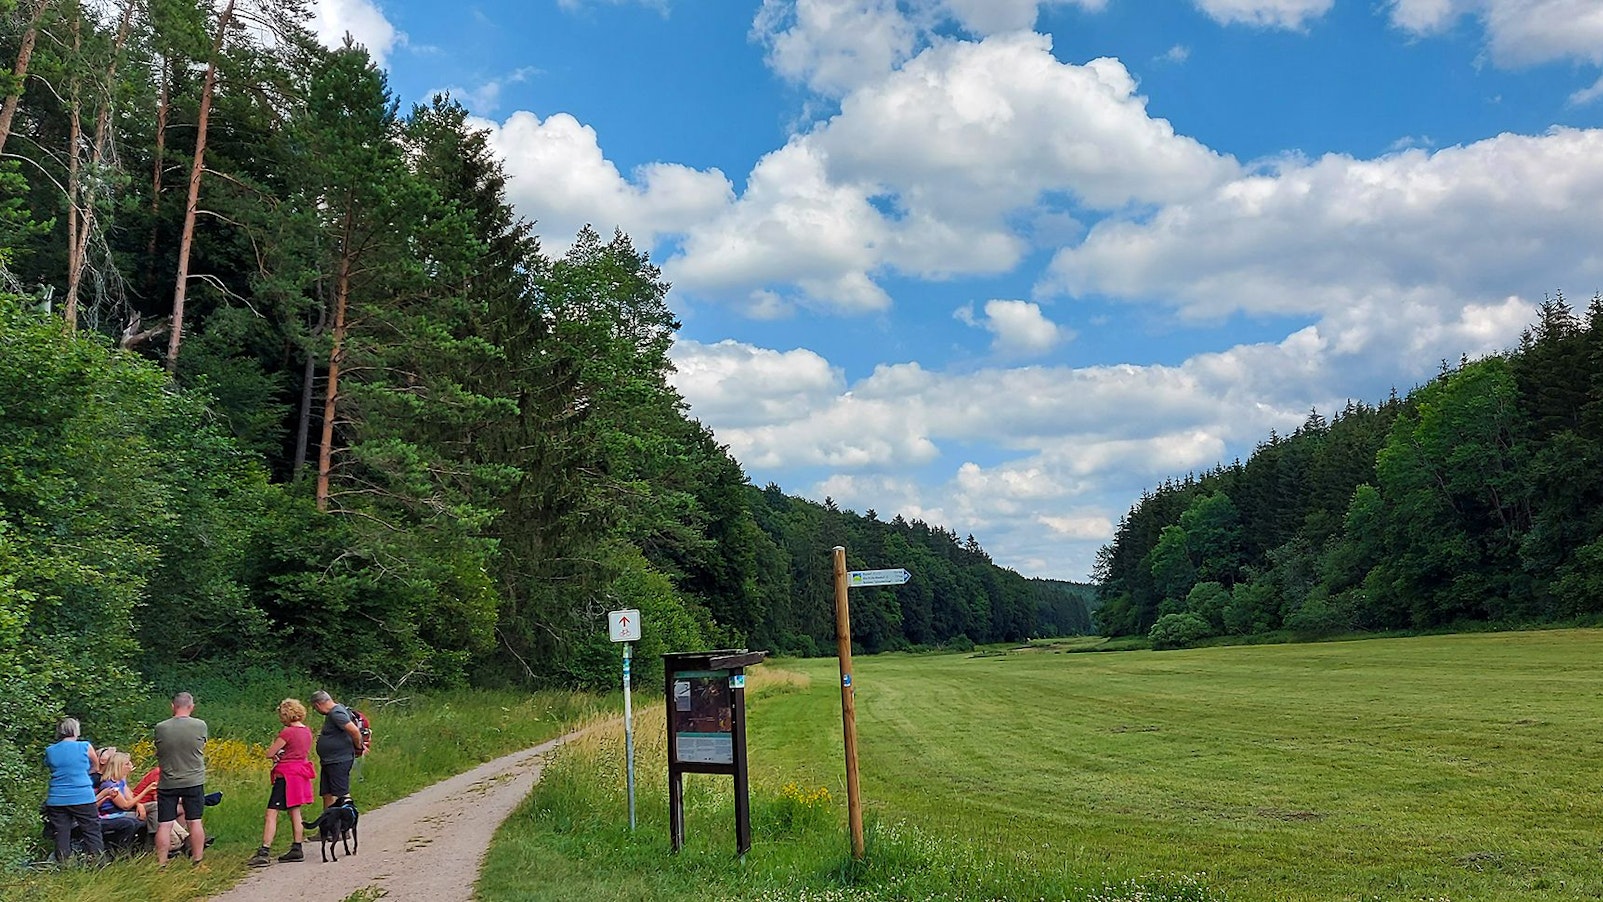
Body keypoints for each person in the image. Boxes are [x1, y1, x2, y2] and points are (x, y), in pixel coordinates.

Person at [247, 698, 316, 866]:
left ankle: (264, 850)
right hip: (300, 773)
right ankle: (297, 846)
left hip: (286, 775)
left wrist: (279, 755)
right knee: (295, 810)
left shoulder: (288, 732)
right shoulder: (307, 731)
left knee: (272, 813)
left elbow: (270, 753)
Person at [153, 691, 208, 867]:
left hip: (168, 781)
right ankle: (197, 860)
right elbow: (202, 745)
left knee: (164, 824)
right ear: (191, 707)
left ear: (173, 707)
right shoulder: (200, 725)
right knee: (195, 821)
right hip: (193, 779)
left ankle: (162, 863)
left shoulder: (160, 728)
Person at [43, 717, 104, 863]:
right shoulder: (84, 746)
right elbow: (96, 767)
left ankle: (64, 864)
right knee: (91, 831)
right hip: (82, 795)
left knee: (62, 833)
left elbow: (51, 767)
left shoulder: (50, 750)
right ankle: (97, 862)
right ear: (76, 731)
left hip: (57, 797)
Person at [310, 690, 367, 812]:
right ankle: (328, 826)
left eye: (315, 708)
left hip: (339, 760)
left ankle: (347, 823)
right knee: (327, 794)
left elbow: (354, 731)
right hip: (330, 760)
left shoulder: (336, 713)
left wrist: (358, 747)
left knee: (342, 794)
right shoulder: (336, 710)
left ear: (318, 705)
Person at [94, 751, 146, 851]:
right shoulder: (110, 785)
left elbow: (130, 797)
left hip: (121, 811)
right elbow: (125, 805)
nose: (130, 766)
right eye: (127, 764)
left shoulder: (120, 780)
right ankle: (122, 851)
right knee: (137, 820)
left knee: (155, 809)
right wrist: (146, 790)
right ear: (119, 766)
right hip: (111, 813)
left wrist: (139, 805)